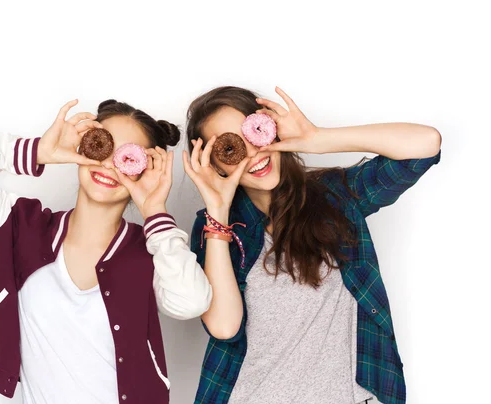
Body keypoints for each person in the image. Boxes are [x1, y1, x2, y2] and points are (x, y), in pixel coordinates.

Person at [0, 99, 213, 404]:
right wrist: (37, 152)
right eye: (101, 146)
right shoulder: (23, 229)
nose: (108, 165)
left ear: (145, 170)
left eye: (127, 158)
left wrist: (155, 211)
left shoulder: (152, 252)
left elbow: (191, 302)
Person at [183, 86, 441, 404]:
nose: (252, 154)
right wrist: (218, 212)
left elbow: (426, 144)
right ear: (213, 165)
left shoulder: (335, 197)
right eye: (230, 148)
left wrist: (317, 138)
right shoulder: (214, 228)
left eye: (255, 133)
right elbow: (224, 327)